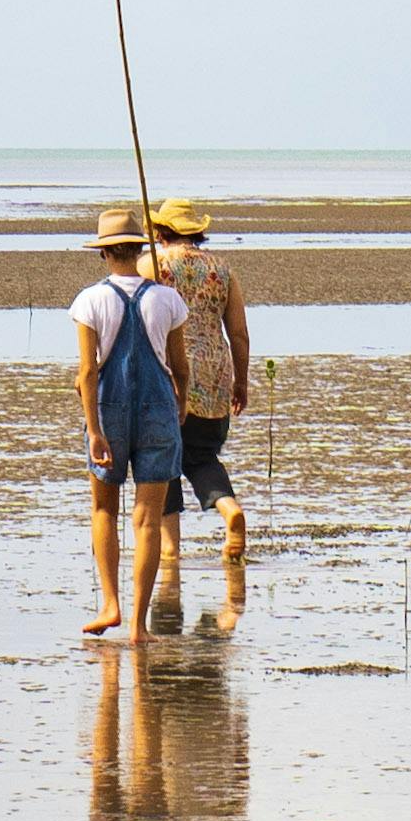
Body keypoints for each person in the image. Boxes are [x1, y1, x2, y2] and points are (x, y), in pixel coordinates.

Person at [71, 205, 189, 641]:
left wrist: (95, 429)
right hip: (158, 408)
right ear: (139, 249)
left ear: (105, 255)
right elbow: (180, 366)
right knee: (148, 518)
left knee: (104, 507)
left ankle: (111, 603)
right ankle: (139, 624)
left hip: (109, 408)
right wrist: (179, 405)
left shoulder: (90, 300)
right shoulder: (167, 298)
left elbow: (86, 372)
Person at [149, 195, 252, 595]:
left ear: (161, 233)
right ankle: (229, 509)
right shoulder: (222, 270)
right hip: (212, 375)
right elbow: (239, 332)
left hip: (167, 373)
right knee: (202, 456)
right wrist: (240, 381)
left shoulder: (153, 267)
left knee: (162, 461)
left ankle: (170, 549)